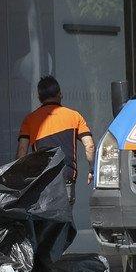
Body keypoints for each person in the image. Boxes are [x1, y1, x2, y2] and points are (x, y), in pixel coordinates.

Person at [17, 76, 95, 204]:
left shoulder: (30, 120)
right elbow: (90, 146)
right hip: (66, 179)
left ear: (39, 98)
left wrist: (20, 179)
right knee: (65, 219)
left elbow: (21, 152)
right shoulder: (74, 116)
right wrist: (92, 169)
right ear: (60, 94)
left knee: (46, 221)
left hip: (42, 181)